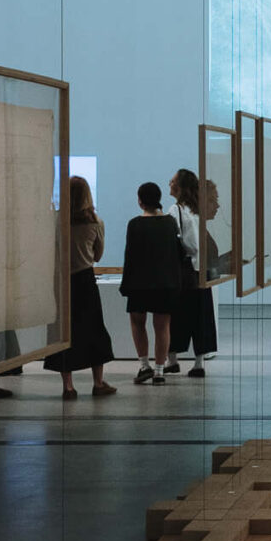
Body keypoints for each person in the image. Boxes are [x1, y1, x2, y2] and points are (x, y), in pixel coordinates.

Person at [42, 175, 116, 398]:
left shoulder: (55, 221)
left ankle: (68, 386)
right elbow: (98, 255)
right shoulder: (95, 222)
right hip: (85, 280)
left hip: (61, 282)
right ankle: (98, 383)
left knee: (63, 332)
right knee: (93, 330)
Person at [119, 181, 190, 384]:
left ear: (140, 201)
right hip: (165, 283)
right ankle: (159, 371)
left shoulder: (134, 224)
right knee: (162, 326)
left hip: (139, 283)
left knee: (137, 323)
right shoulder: (170, 223)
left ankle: (144, 366)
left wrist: (126, 285)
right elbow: (178, 254)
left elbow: (130, 257)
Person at [167, 168, 219, 377]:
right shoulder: (197, 210)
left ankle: (172, 359)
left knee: (177, 314)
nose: (170, 183)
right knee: (201, 316)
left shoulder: (175, 210)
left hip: (186, 270)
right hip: (202, 269)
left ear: (180, 186)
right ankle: (199, 362)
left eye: (173, 181)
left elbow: (186, 242)